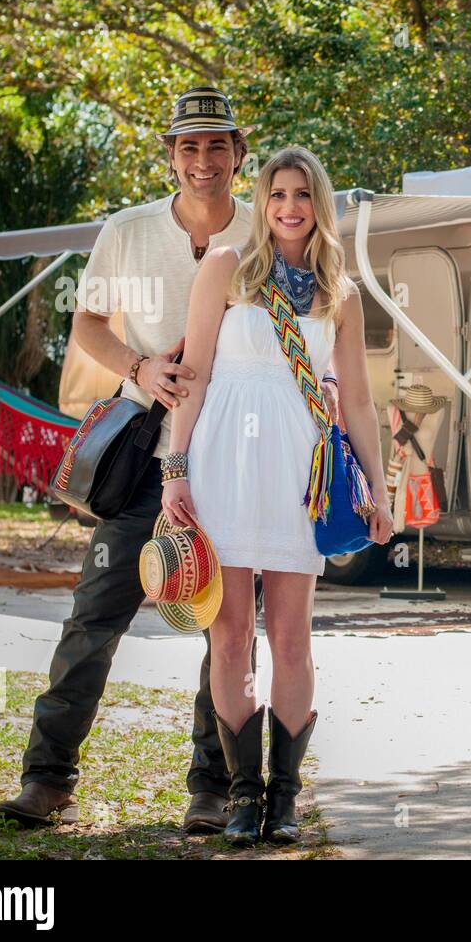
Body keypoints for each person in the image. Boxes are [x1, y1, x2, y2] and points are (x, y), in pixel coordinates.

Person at [0, 87, 287, 834]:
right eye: (188, 146)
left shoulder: (268, 231)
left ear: (238, 154)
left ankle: (212, 787)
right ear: (170, 156)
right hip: (141, 466)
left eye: (216, 145)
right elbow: (89, 323)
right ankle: (47, 778)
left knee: (225, 629)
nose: (202, 160)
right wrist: (139, 368)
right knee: (93, 617)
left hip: (231, 461)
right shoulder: (126, 231)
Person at [161, 145, 393, 845]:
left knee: (291, 637)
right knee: (228, 637)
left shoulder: (340, 293)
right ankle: (240, 794)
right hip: (223, 463)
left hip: (299, 473)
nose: (288, 207)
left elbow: (356, 399)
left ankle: (284, 799)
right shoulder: (226, 268)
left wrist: (379, 489)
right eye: (276, 194)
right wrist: (176, 467)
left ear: (318, 205)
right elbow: (192, 374)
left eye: (301, 195)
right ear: (261, 202)